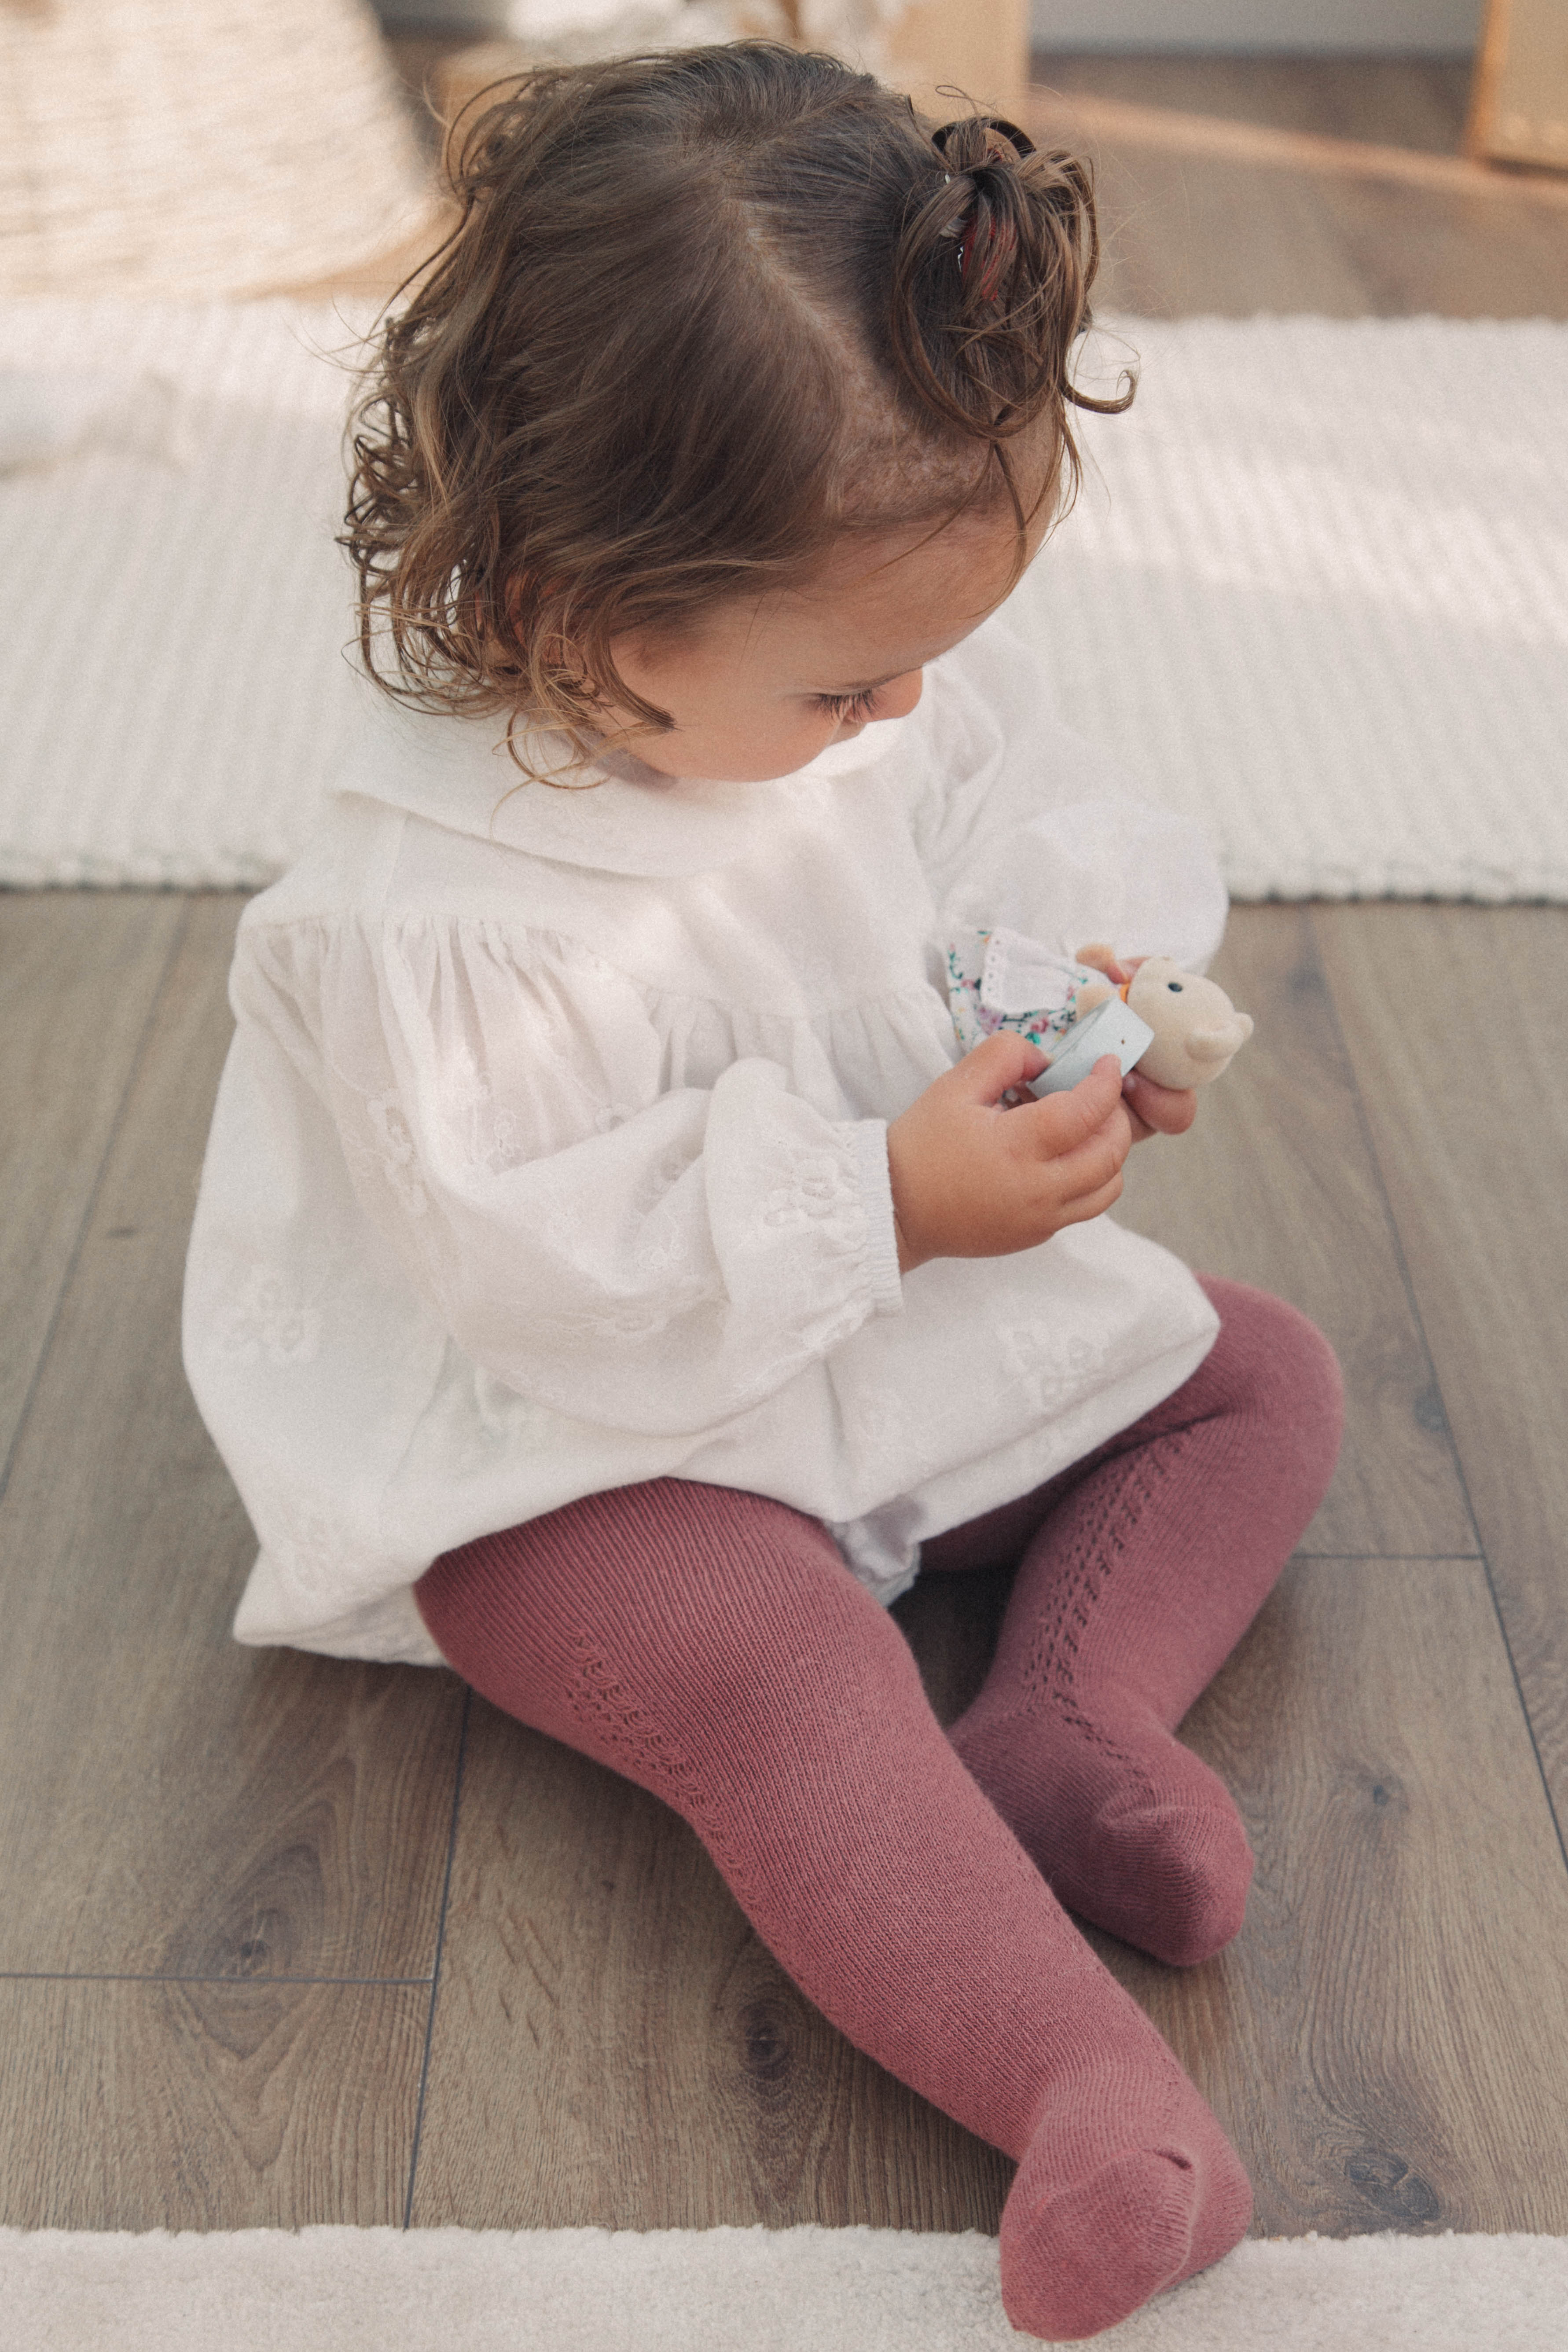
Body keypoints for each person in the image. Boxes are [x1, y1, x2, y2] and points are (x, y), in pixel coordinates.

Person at [183, 42, 1342, 2340]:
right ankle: (1085, 2089)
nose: (910, 714)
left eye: (937, 657)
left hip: (869, 1294)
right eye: (854, 685)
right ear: (597, 624)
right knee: (776, 1668)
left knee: (1257, 1376)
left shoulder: (847, 682)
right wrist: (889, 1204)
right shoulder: (430, 915)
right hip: (576, 1433)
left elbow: (1013, 813)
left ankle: (1066, 1711)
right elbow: (547, 1287)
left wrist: (1085, 1007)